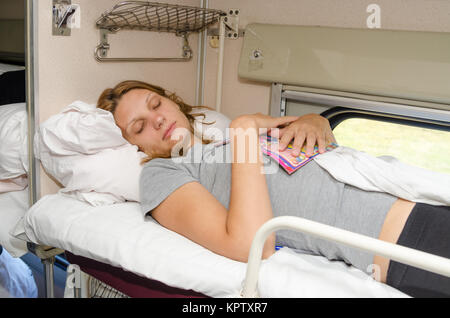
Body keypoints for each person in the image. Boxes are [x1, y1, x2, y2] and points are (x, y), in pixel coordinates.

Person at [98, 80, 450, 298]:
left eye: (156, 104)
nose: (156, 119)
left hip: (422, 199)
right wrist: (244, 131)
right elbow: (250, 242)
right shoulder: (163, 173)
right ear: (136, 148)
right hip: (403, 244)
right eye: (139, 126)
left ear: (172, 101)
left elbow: (315, 145)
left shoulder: (224, 143)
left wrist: (317, 121)